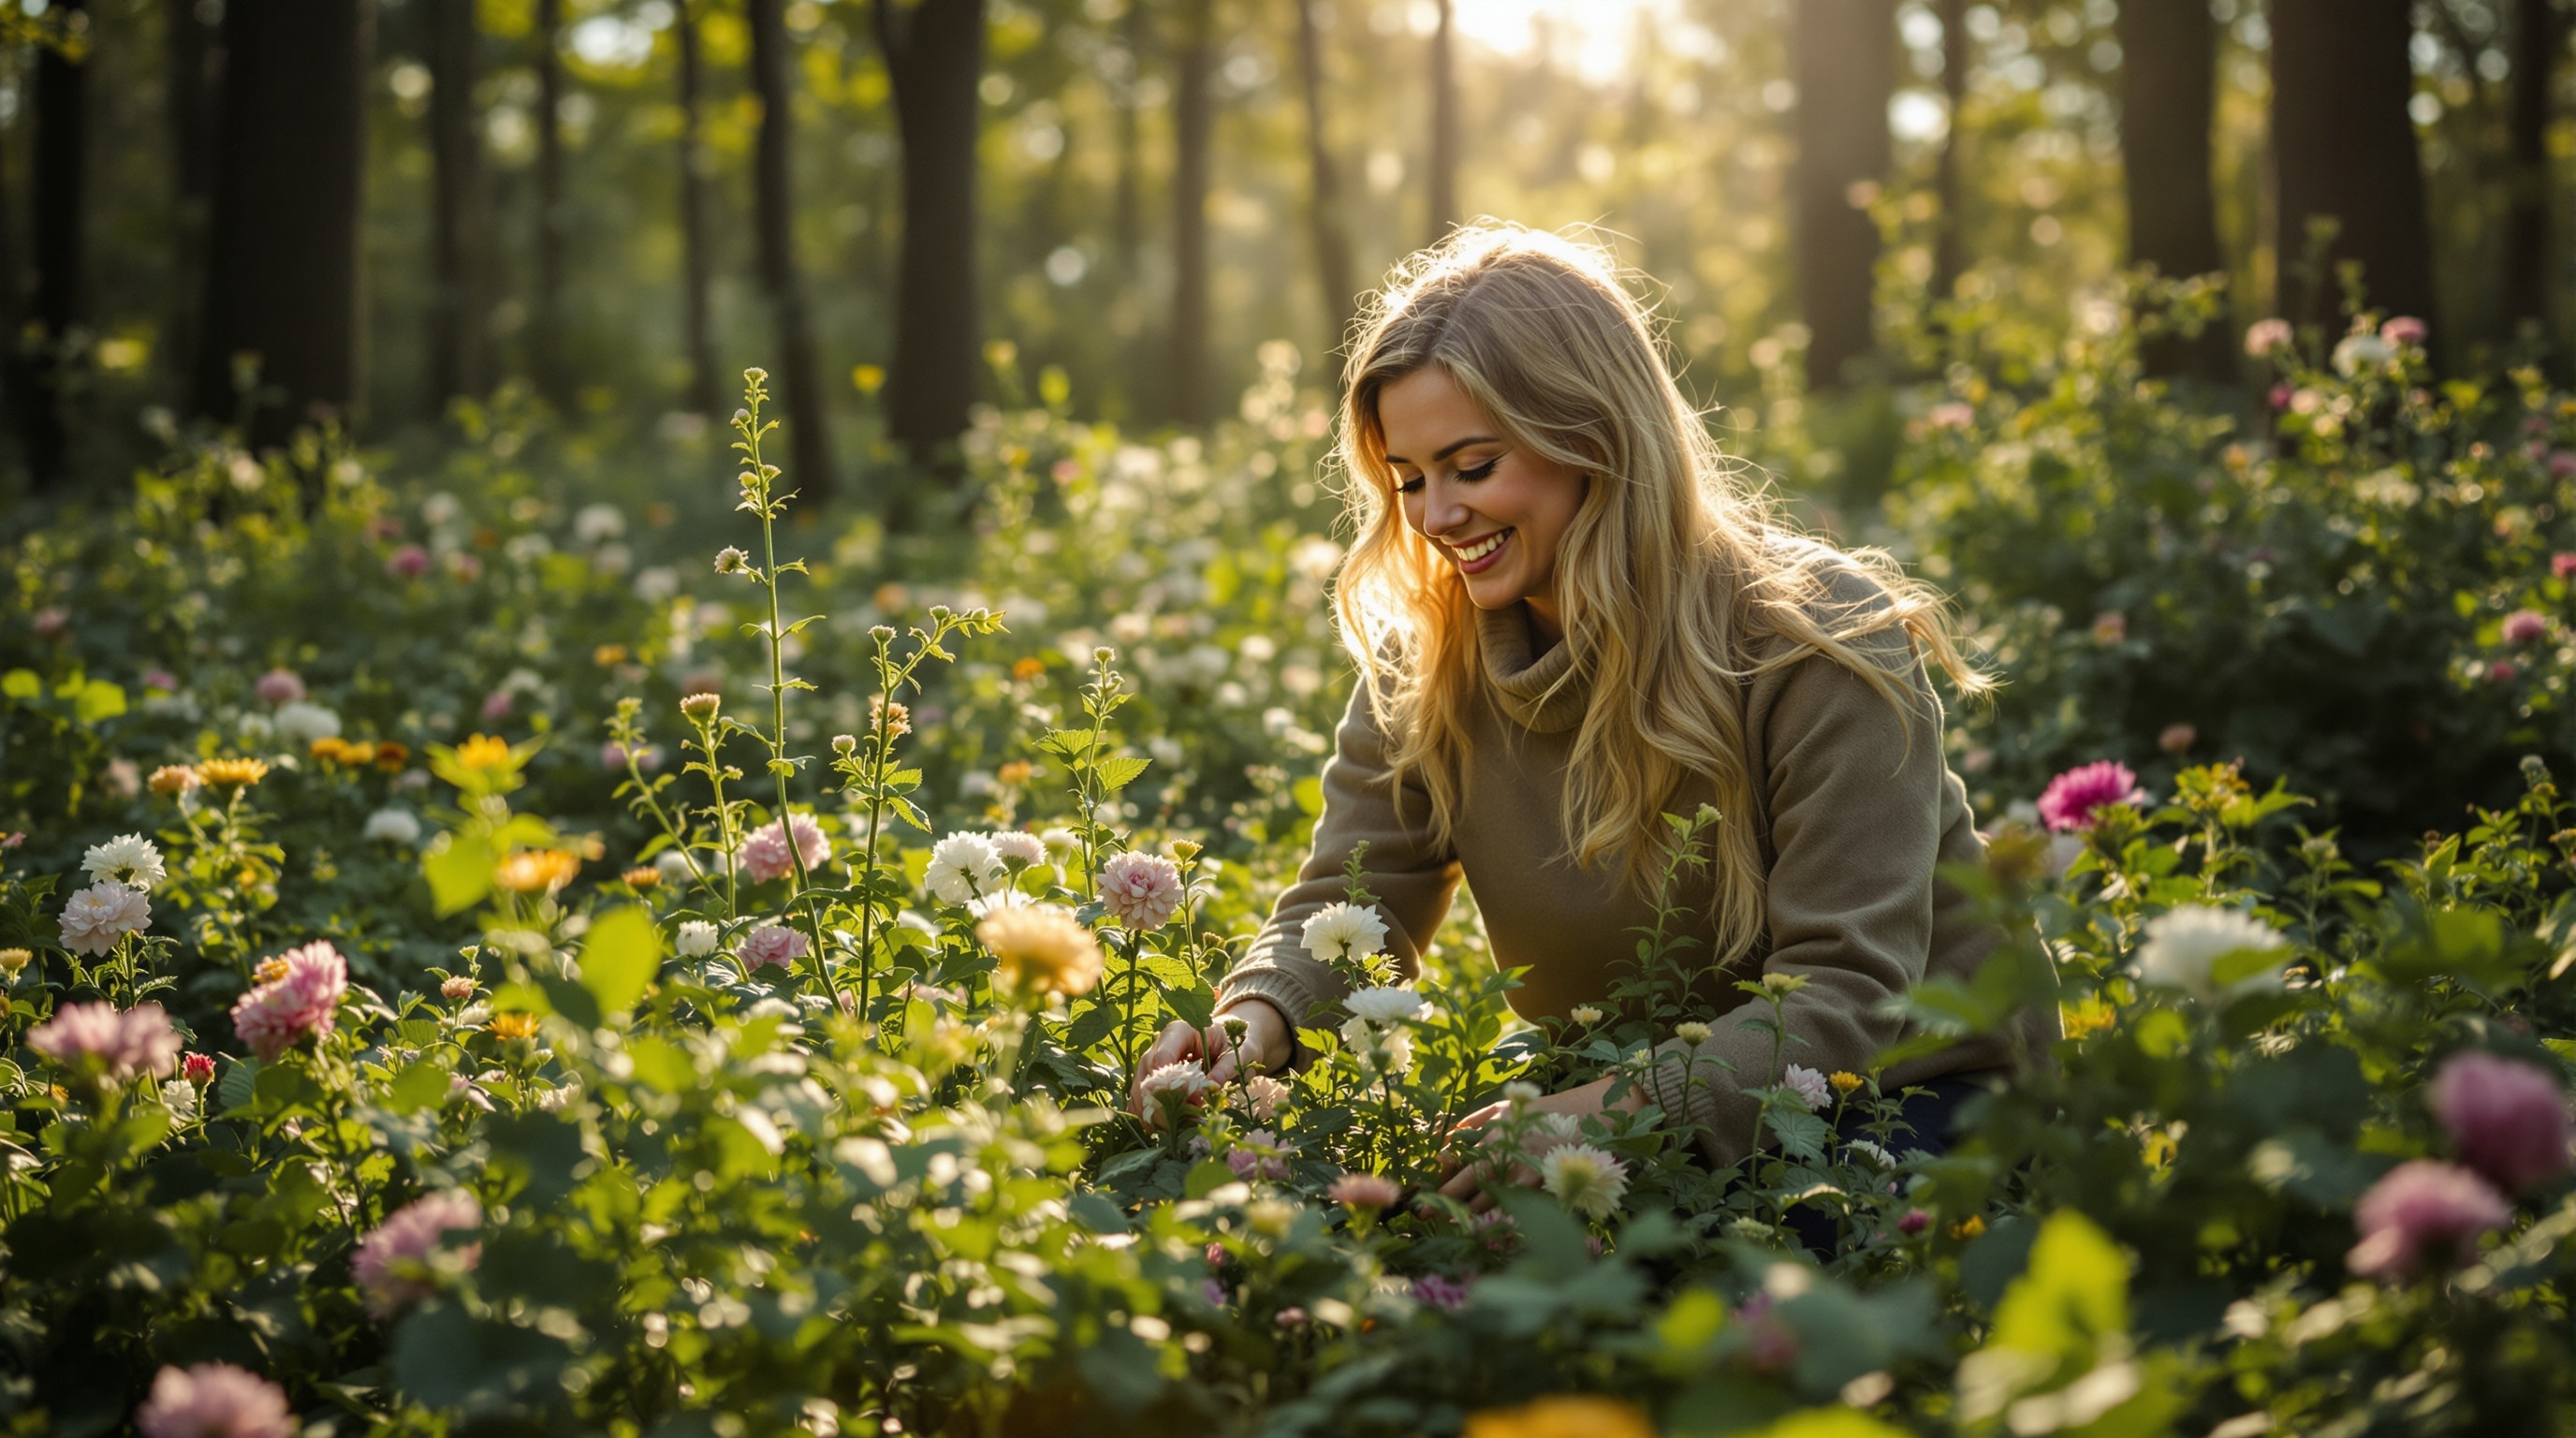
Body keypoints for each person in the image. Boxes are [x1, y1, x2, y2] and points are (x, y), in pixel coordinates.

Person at [1130, 224, 2056, 1203]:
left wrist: (1597, 1116)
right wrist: (1254, 1023)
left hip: (1911, 1103)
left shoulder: (1814, 640)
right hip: (1625, 1101)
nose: (1434, 515)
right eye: (1408, 480)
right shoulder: (1431, 659)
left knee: (1707, 1299)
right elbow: (1351, 902)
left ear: (1595, 440)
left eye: (1473, 466)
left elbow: (1847, 996)